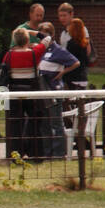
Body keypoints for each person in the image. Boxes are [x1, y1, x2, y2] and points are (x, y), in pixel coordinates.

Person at [1, 27, 46, 160]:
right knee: (34, 123)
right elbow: (48, 39)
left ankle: (16, 154)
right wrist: (34, 32)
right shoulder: (34, 53)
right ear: (27, 39)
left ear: (14, 40)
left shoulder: (8, 55)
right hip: (32, 92)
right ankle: (36, 154)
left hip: (14, 92)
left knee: (15, 125)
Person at [36, 23, 79, 158]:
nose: (43, 38)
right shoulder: (41, 50)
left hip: (54, 90)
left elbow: (75, 62)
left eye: (46, 35)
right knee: (45, 124)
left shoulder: (58, 50)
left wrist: (62, 73)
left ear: (52, 35)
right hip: (43, 91)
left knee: (56, 123)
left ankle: (59, 153)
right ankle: (47, 152)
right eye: (41, 35)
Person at [64, 19, 92, 89]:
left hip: (72, 77)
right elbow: (86, 60)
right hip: (83, 77)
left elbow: (68, 60)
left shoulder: (70, 43)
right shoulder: (84, 44)